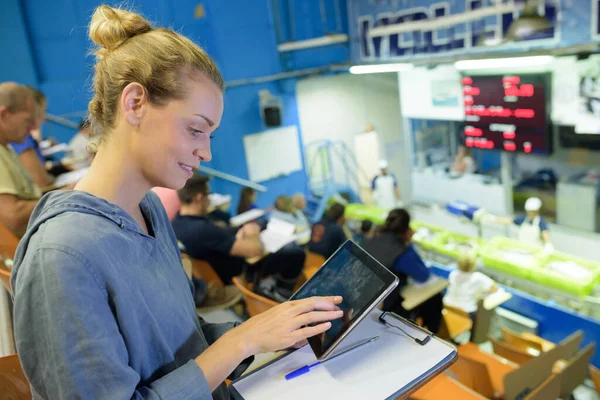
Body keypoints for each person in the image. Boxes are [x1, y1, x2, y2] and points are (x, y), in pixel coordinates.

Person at [10, 7, 343, 399]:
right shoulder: (61, 256)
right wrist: (241, 343)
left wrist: (266, 332)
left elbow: (179, 343)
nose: (206, 153)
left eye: (210, 136)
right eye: (195, 129)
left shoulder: (148, 209)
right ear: (134, 103)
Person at [172, 175, 305, 300]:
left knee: (269, 230)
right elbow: (255, 250)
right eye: (209, 195)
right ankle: (282, 293)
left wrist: (240, 231)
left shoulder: (178, 222)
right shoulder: (202, 229)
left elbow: (220, 235)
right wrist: (253, 234)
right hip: (242, 270)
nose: (210, 199)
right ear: (199, 198)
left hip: (221, 259)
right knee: (297, 253)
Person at [361, 209, 442, 334]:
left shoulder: (369, 241)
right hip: (384, 306)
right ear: (406, 228)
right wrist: (409, 244)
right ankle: (432, 334)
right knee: (435, 298)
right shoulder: (401, 252)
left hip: (363, 296)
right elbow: (423, 275)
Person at [0, 82, 41, 237]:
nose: (32, 128)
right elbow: (12, 215)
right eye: (27, 120)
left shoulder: (7, 149)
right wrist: (63, 194)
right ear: (3, 115)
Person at [10, 87, 55, 188]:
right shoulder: (21, 138)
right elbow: (41, 181)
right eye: (41, 112)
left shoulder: (26, 137)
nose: (44, 118)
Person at [478, 197, 553, 251]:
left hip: (535, 251)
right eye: (529, 211)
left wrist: (548, 245)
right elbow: (507, 220)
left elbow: (545, 234)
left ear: (537, 211)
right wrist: (491, 218)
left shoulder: (541, 222)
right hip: (522, 249)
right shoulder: (523, 219)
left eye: (532, 211)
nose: (530, 213)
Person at [443, 252, 497, 320]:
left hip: (447, 307)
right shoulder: (478, 277)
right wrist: (482, 292)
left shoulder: (453, 274)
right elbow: (494, 288)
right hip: (465, 313)